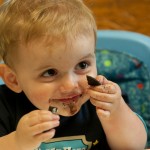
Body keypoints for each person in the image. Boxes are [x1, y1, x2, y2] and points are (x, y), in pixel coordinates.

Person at [0, 0, 147, 150]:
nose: (71, 84)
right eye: (50, 72)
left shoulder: (103, 101)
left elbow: (135, 146)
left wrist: (116, 113)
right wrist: (17, 142)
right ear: (14, 80)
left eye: (82, 65)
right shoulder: (5, 106)